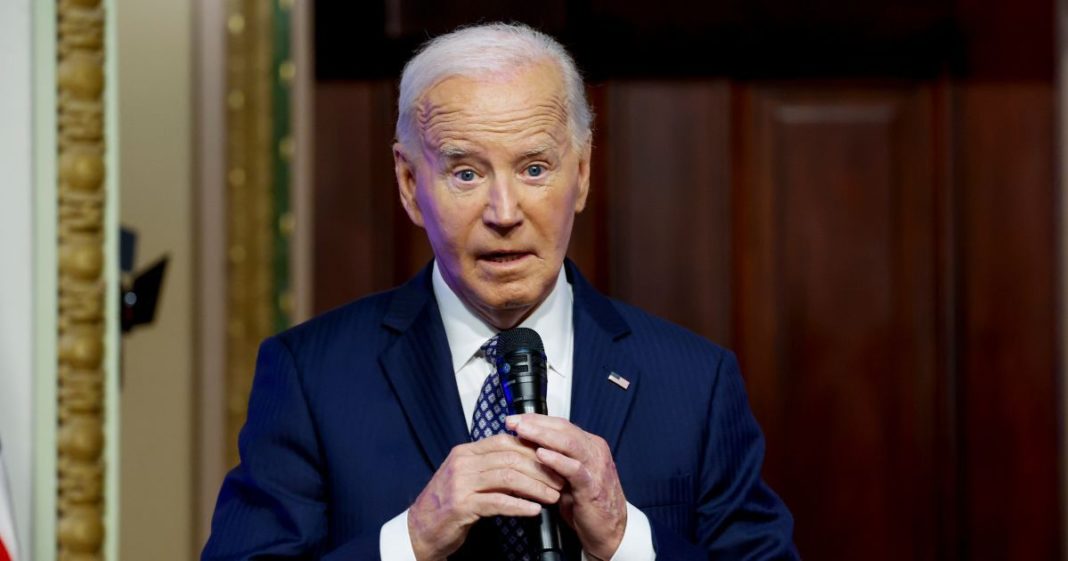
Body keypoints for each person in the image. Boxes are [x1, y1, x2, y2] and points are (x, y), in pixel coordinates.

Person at [203, 23, 798, 561]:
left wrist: (624, 541)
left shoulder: (695, 382)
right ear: (410, 185)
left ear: (582, 174)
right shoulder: (311, 376)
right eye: (466, 173)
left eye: (535, 168)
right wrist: (412, 539)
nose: (504, 212)